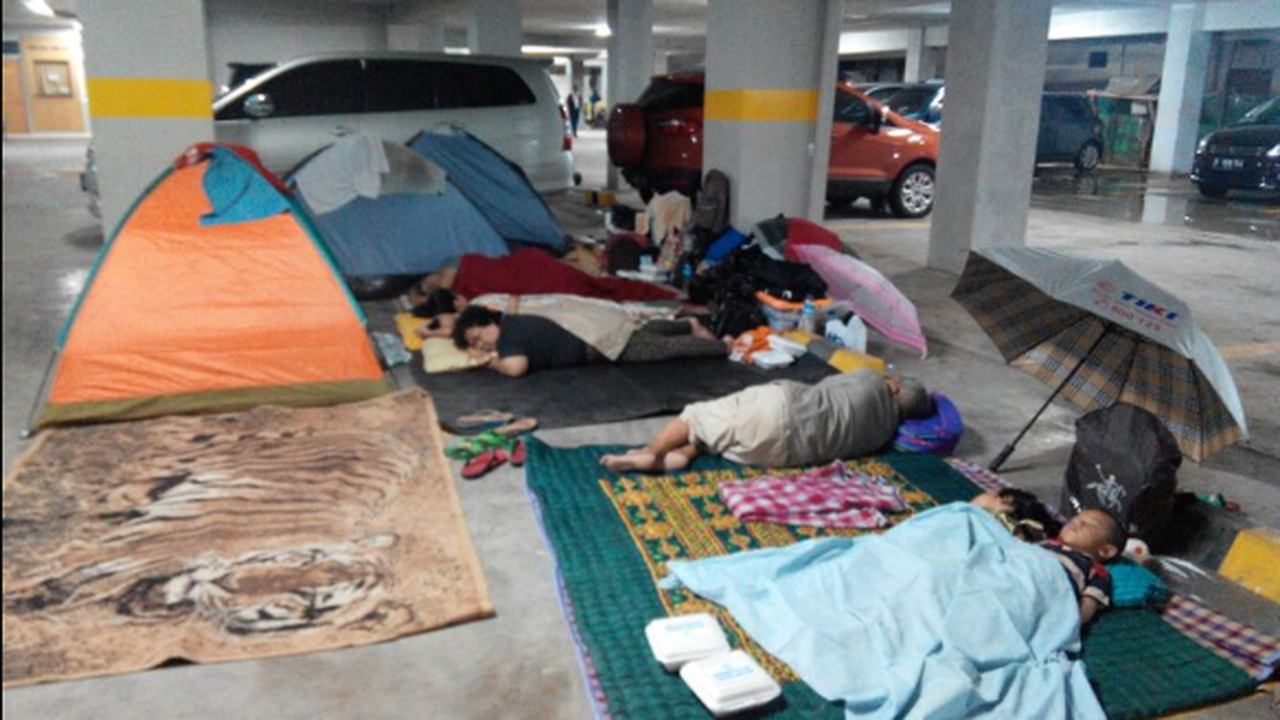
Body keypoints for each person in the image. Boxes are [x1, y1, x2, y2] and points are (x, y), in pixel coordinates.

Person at [601, 371, 933, 474]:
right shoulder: (883, 436)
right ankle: (682, 456)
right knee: (714, 438)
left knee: (696, 415)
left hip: (781, 407)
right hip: (780, 456)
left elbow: (826, 386)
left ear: (895, 387)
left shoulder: (873, 382)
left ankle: (653, 451)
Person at [972, 491, 1123, 625]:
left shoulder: (1095, 569)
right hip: (1015, 570)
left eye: (1090, 525)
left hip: (1044, 584)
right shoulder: (1044, 542)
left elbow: (1089, 602)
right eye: (1076, 519)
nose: (1077, 522)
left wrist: (1069, 623)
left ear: (1106, 551)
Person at [452, 305, 728, 377]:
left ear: (489, 324)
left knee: (658, 349)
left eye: (478, 338)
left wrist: (491, 362)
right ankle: (686, 324)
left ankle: (724, 345)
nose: (481, 346)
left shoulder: (508, 340)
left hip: (598, 341)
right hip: (595, 329)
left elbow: (516, 368)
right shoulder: (512, 321)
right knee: (643, 335)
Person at [408, 249, 676, 307]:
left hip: (524, 269)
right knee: (588, 293)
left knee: (591, 285)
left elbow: (443, 293)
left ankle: (657, 291)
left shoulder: (449, 263)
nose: (431, 285)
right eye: (427, 291)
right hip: (520, 283)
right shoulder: (459, 296)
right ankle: (656, 292)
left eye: (424, 283)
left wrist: (430, 299)